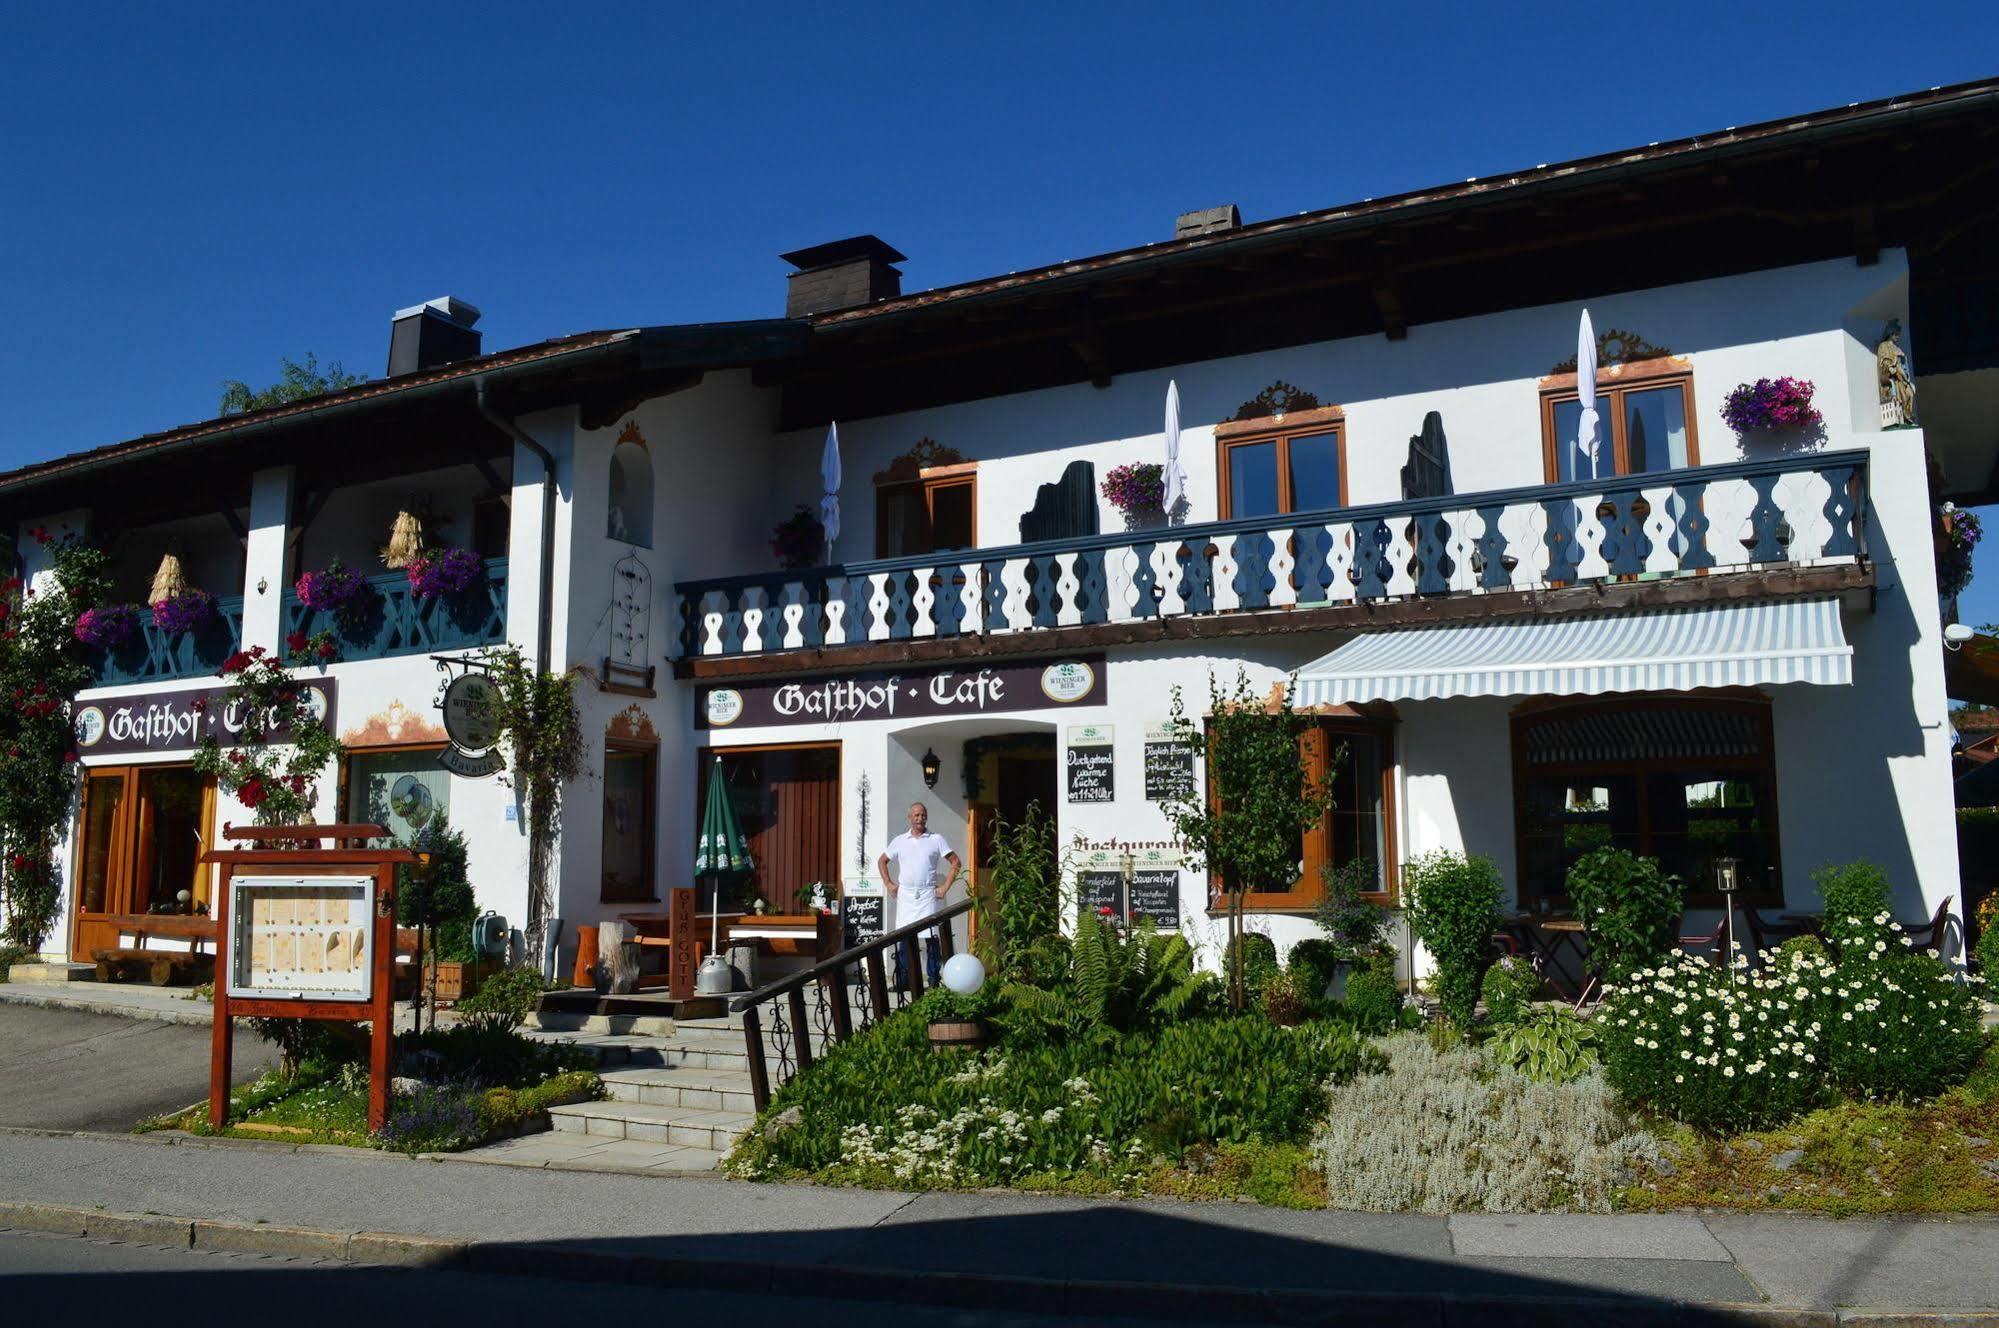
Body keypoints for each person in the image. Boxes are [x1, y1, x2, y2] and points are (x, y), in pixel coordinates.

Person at [877, 800, 961, 989]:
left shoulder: (936, 839)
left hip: (927, 894)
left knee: (931, 937)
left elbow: (956, 862)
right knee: (904, 938)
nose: (920, 818)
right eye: (916, 815)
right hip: (906, 895)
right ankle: (904, 980)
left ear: (927, 817)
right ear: (909, 818)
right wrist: (889, 884)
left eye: (923, 815)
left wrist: (944, 887)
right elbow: (881, 861)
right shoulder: (899, 841)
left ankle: (933, 979)